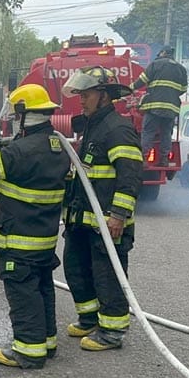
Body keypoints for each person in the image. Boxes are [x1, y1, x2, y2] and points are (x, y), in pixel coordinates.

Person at [0, 84, 70, 369]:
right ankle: (46, 342)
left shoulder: (21, 152)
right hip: (43, 239)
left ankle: (29, 351)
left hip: (19, 239)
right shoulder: (56, 145)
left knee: (23, 292)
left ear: (24, 114)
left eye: (15, 114)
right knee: (42, 287)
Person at [61, 66, 143, 351]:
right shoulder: (93, 126)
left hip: (108, 221)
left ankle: (112, 331)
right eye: (80, 94)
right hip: (83, 220)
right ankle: (90, 319)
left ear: (104, 96)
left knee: (107, 274)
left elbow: (129, 175)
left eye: (86, 95)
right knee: (76, 267)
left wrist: (119, 215)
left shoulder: (117, 129)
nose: (81, 100)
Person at [130, 45, 187, 166]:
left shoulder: (155, 65)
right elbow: (183, 89)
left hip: (154, 106)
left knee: (148, 131)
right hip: (171, 108)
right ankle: (164, 160)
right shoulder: (181, 69)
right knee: (166, 133)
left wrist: (129, 88)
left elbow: (142, 81)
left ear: (162, 53)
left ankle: (144, 159)